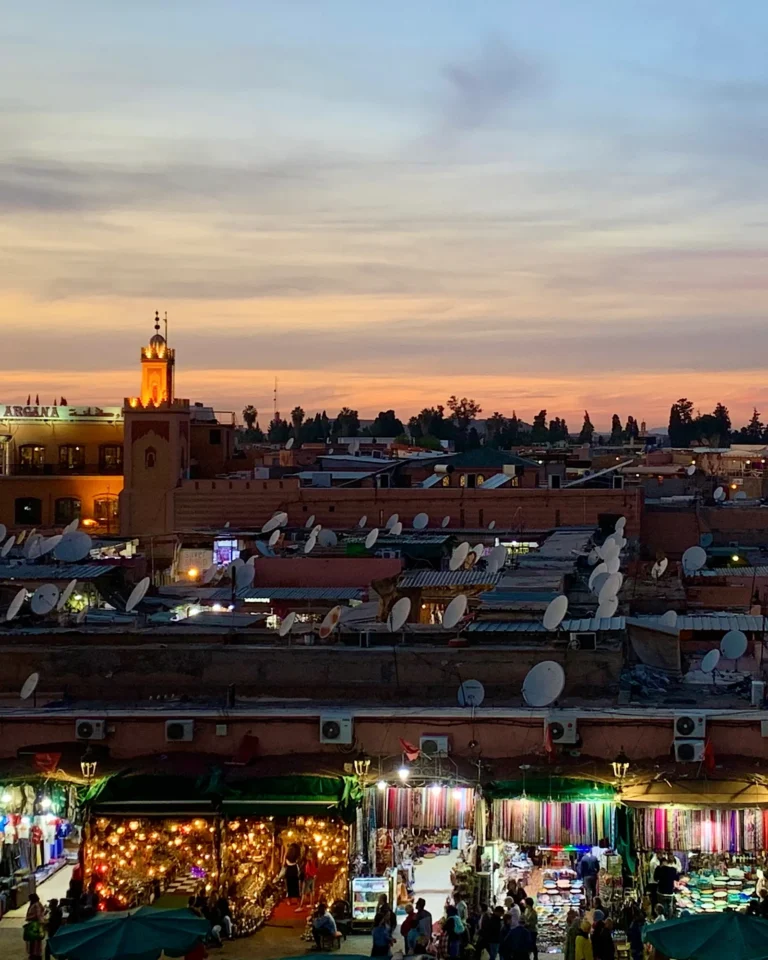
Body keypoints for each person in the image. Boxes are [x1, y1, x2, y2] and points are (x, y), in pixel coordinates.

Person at [23, 894, 46, 959]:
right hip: (34, 923)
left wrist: (41, 923)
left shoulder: (36, 905)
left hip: (35, 924)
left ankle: (36, 954)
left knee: (35, 939)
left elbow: (39, 915)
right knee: (33, 939)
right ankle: (34, 953)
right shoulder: (36, 904)